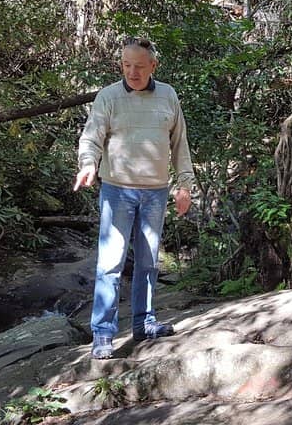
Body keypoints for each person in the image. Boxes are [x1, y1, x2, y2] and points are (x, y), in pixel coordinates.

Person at [74, 38, 195, 359]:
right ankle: (103, 333)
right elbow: (91, 137)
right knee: (111, 263)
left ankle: (145, 323)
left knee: (148, 261)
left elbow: (179, 144)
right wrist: (88, 164)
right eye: (127, 65)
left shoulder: (168, 95)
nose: (132, 72)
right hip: (117, 190)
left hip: (155, 192)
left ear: (153, 66)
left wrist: (185, 184)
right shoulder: (109, 97)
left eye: (139, 66)